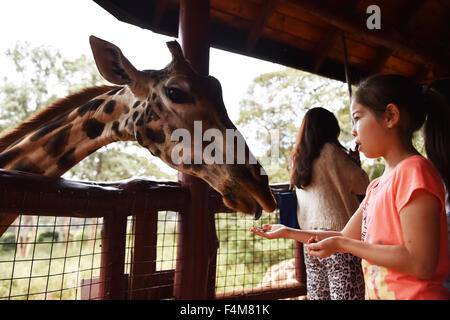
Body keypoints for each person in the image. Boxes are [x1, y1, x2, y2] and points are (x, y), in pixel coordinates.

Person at [251, 74, 450, 300]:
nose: (353, 131)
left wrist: (344, 244)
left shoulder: (415, 172)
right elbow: (344, 235)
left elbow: (420, 262)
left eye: (357, 117)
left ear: (390, 116)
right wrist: (288, 232)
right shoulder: (376, 185)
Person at [288, 107, 369, 300]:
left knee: (318, 295)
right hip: (339, 238)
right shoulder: (332, 152)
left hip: (310, 240)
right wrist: (355, 163)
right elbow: (362, 184)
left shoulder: (297, 159)